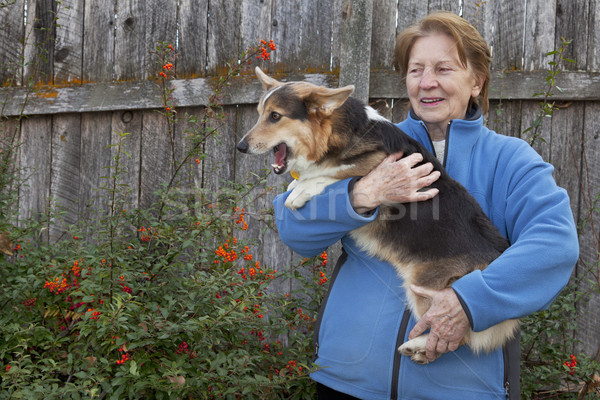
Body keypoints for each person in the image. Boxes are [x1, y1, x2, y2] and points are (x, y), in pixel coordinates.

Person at [273, 11, 579, 400]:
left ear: (476, 81)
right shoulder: (362, 142)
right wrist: (361, 195)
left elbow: (555, 247)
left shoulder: (510, 160)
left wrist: (468, 303)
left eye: (443, 68)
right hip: (347, 381)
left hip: (460, 390)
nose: (427, 82)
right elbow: (293, 229)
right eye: (415, 70)